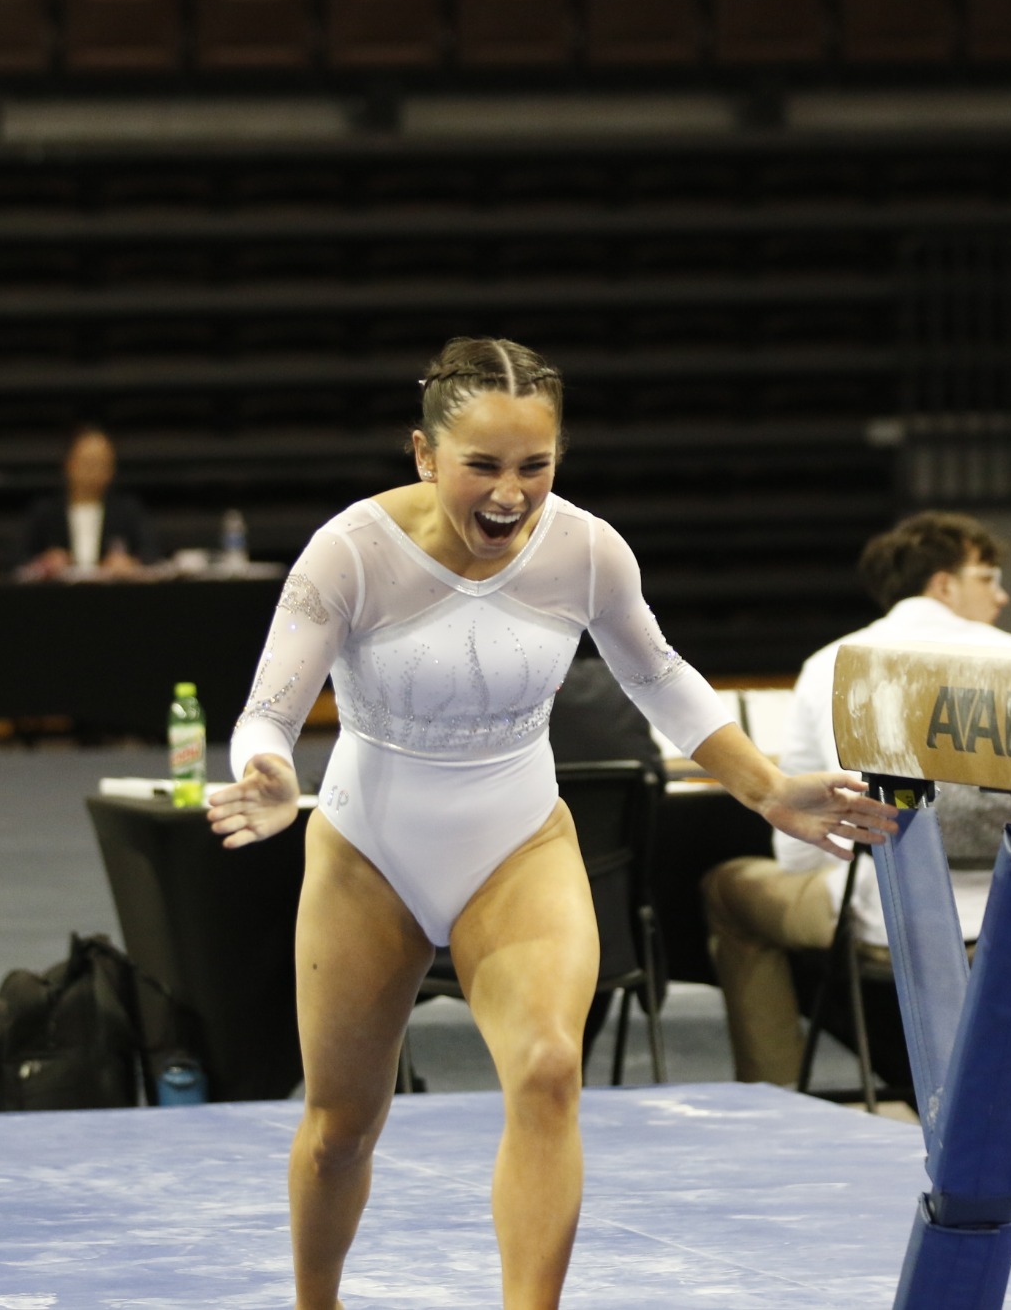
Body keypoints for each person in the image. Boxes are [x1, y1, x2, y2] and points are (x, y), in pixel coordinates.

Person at [207, 337, 899, 1310]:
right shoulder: (351, 552)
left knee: (544, 1071)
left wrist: (764, 785)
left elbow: (657, 674)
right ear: (422, 455)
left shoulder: (585, 549)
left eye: (534, 465)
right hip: (369, 850)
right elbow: (268, 710)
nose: (509, 493)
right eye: (481, 466)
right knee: (340, 1125)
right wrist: (265, 771)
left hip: (516, 842)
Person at [700, 512, 1011, 1149]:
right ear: (942, 584)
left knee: (729, 890)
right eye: (988, 578)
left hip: (883, 906)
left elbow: (800, 826)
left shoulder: (832, 662)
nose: (1002, 596)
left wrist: (824, 882)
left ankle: (767, 1106)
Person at [19, 426, 156, 579]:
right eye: (87, 462)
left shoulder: (127, 510)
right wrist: (44, 563)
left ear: (111, 469)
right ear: (69, 464)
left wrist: (130, 563)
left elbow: (151, 555)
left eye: (100, 463)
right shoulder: (46, 511)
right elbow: (17, 560)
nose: (92, 470)